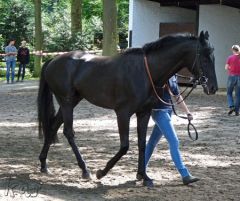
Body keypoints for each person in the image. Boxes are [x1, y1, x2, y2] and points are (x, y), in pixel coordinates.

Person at [145, 75, 200, 185]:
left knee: (152, 143)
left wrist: (187, 112)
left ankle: (141, 169)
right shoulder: (160, 73)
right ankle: (185, 175)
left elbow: (177, 96)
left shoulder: (173, 77)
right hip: (159, 112)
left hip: (168, 112)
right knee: (174, 141)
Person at [225, 45, 240, 116]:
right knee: (238, 95)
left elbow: (226, 67)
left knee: (229, 93)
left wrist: (231, 67)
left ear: (233, 50)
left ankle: (231, 106)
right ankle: (237, 111)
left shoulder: (230, 57)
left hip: (231, 76)